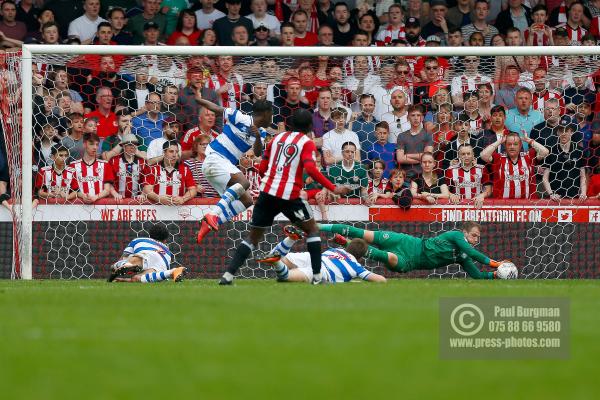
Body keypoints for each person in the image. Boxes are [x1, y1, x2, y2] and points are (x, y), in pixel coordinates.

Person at [218, 109, 349, 285]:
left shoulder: (276, 139)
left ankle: (227, 276)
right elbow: (311, 169)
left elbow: (263, 168)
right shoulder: (307, 143)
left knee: (253, 238)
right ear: (310, 126)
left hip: (267, 193)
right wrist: (333, 188)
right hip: (290, 196)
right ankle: (317, 277)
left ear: (290, 124)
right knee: (312, 230)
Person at [195, 96, 273, 242]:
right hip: (215, 158)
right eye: (271, 113)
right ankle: (213, 214)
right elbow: (217, 109)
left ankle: (211, 223)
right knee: (245, 183)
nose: (272, 118)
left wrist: (256, 137)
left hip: (223, 166)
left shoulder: (261, 133)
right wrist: (199, 98)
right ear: (265, 114)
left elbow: (257, 153)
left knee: (247, 200)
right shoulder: (240, 117)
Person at [319, 221, 510, 279]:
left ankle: (345, 243)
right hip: (408, 242)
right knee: (364, 233)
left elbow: (476, 276)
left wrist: (495, 275)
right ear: (464, 233)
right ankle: (318, 227)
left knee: (388, 257)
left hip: (409, 261)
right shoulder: (456, 236)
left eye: (478, 237)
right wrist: (495, 263)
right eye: (474, 235)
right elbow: (476, 254)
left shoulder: (464, 256)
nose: (476, 240)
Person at [257, 225, 386, 284]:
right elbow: (381, 280)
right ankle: (276, 261)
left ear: (348, 247)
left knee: (276, 254)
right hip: (322, 271)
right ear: (360, 257)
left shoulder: (335, 250)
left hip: (316, 258)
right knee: (285, 277)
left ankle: (290, 239)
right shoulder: (356, 267)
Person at [107, 223, 186, 283]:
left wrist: (116, 267)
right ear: (165, 240)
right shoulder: (168, 252)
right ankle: (172, 271)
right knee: (137, 279)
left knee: (118, 265)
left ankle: (131, 265)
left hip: (147, 253)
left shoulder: (139, 240)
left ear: (149, 235)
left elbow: (123, 257)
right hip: (161, 262)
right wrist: (125, 280)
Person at [480, 132, 549, 199]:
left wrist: (529, 140)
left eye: (515, 144)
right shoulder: (499, 158)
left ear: (520, 145)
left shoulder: (528, 157)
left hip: (527, 204)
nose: (512, 147)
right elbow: (483, 155)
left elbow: (545, 152)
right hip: (503, 205)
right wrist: (499, 142)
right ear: (505, 145)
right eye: (509, 144)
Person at [142, 140, 197, 205]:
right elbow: (147, 190)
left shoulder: (185, 169)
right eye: (171, 151)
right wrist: (158, 198)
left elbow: (193, 190)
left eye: (176, 152)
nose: (174, 155)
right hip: (158, 210)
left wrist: (183, 198)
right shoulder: (153, 169)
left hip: (178, 210)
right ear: (164, 153)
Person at [69, 132, 116, 204]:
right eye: (91, 144)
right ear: (84, 144)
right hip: (79, 208)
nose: (95, 147)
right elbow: (74, 190)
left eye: (97, 144)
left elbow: (107, 190)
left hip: (100, 207)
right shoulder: (73, 166)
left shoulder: (105, 165)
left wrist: (95, 197)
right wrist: (83, 196)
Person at [446, 144, 492, 209]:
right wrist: (451, 195)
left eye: (468, 153)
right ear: (458, 155)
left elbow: (489, 189)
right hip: (457, 208)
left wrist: (482, 195)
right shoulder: (451, 170)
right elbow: (445, 189)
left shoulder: (481, 169)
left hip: (477, 207)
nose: (466, 156)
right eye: (463, 154)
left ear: (473, 155)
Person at [108, 134, 147, 201]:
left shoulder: (142, 162)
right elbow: (108, 182)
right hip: (117, 200)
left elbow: (146, 182)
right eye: (129, 144)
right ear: (123, 146)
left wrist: (143, 194)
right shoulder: (114, 161)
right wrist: (115, 194)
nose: (132, 147)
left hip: (136, 201)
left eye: (135, 144)